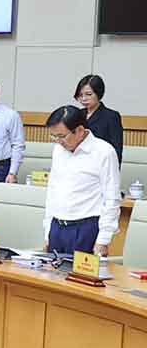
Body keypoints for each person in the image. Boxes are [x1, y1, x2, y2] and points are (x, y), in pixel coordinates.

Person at [44, 105, 121, 257]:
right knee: (51, 278)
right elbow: (53, 190)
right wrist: (48, 231)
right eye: (54, 136)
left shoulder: (104, 152)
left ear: (79, 130)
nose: (58, 141)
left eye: (61, 136)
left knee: (80, 280)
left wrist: (103, 239)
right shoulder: (58, 150)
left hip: (86, 228)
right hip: (57, 227)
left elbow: (111, 198)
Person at [73, 74, 124, 163]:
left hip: (100, 164)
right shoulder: (78, 114)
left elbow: (116, 151)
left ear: (99, 93)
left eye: (88, 94)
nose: (84, 99)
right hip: (79, 163)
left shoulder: (111, 116)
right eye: (80, 95)